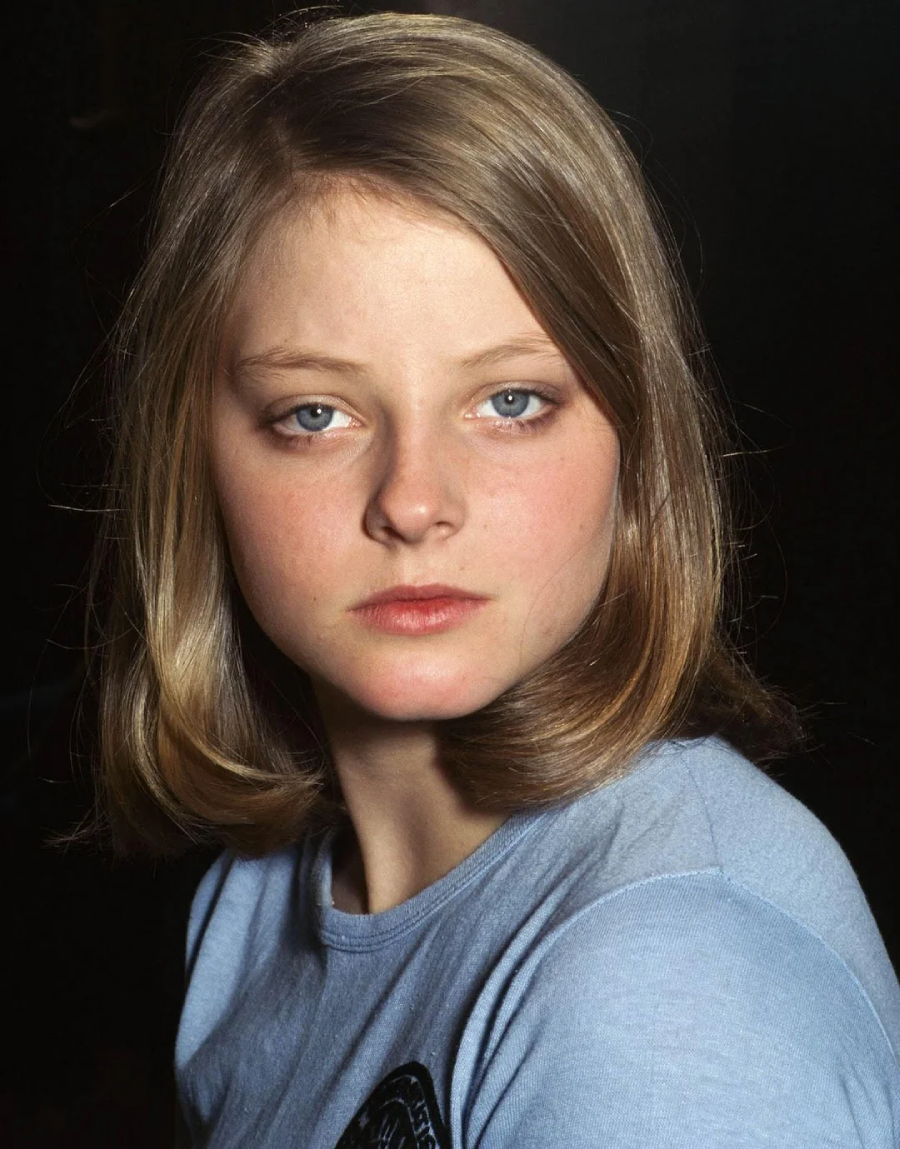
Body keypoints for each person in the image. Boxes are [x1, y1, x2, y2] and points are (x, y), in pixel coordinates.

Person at [91, 10, 900, 1146]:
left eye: (511, 402)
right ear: (196, 460)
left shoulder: (663, 988)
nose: (415, 500)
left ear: (637, 436)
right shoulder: (256, 903)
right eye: (314, 413)